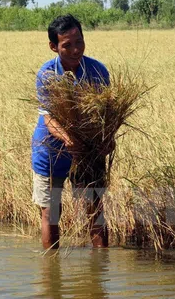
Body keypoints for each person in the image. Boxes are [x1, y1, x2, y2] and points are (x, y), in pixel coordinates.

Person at [31, 14, 110, 249]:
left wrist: (107, 139)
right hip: (51, 151)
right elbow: (49, 118)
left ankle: (99, 274)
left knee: (95, 209)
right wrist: (68, 139)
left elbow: (105, 115)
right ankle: (51, 276)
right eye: (67, 45)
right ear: (54, 47)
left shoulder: (98, 72)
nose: (76, 50)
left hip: (88, 150)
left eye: (79, 42)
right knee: (51, 212)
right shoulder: (47, 75)